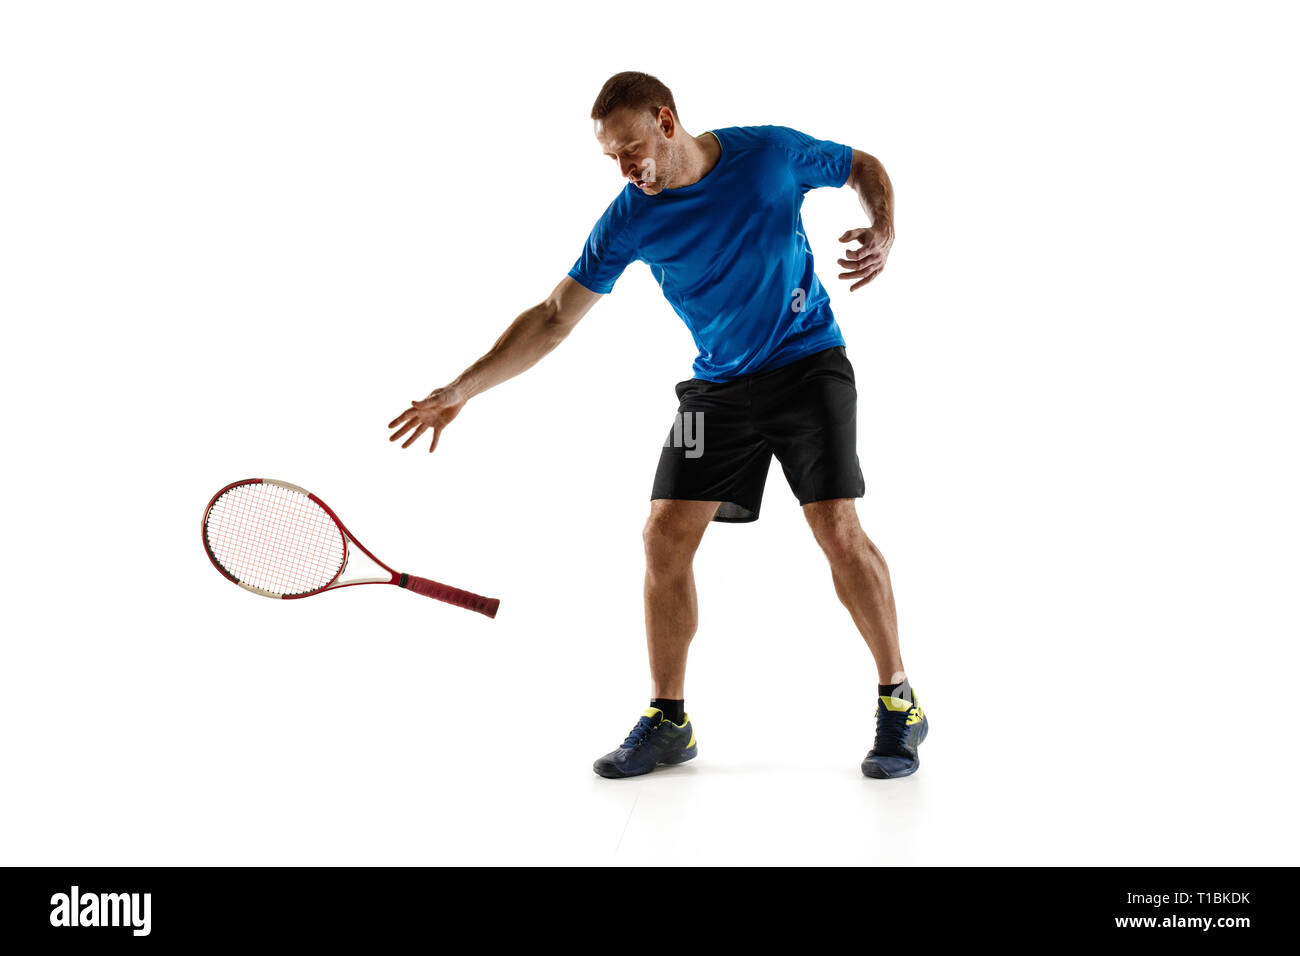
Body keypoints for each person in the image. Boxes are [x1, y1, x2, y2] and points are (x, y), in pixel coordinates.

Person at [388, 71, 928, 780]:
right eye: (612, 156)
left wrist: (884, 229)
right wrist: (461, 388)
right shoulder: (630, 217)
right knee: (663, 532)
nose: (626, 166)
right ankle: (668, 720)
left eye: (632, 147)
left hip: (808, 367)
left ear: (667, 123)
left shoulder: (767, 156)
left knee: (835, 527)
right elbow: (554, 317)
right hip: (718, 390)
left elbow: (863, 166)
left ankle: (899, 703)